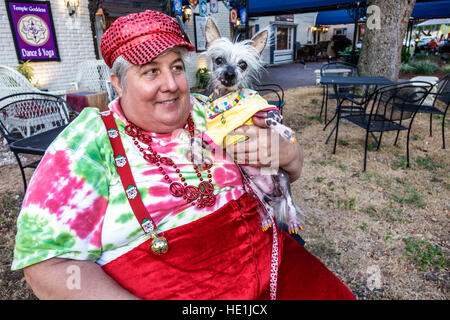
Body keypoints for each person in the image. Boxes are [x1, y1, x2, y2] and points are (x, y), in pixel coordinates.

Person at [12, 10, 355, 300]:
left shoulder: (217, 110)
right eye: (150, 71)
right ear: (117, 82)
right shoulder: (84, 143)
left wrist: (289, 153)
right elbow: (46, 268)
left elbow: (286, 169)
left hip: (276, 265)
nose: (172, 84)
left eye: (176, 67)